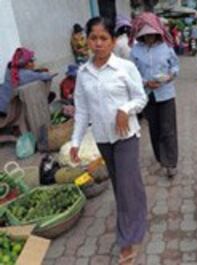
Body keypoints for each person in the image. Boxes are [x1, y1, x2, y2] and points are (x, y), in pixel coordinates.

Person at [70, 17, 148, 265]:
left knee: (126, 185)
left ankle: (127, 240)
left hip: (126, 137)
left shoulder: (125, 68)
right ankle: (137, 215)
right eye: (93, 38)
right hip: (103, 138)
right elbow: (81, 110)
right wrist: (75, 142)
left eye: (104, 38)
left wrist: (125, 109)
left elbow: (141, 98)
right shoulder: (83, 73)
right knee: (123, 185)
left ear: (113, 41)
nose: (98, 43)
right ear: (87, 41)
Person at [130, 12, 179, 178]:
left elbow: (175, 67)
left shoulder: (166, 47)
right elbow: (132, 72)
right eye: (146, 35)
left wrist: (171, 76)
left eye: (152, 34)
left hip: (166, 93)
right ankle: (160, 157)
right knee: (154, 129)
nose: (149, 38)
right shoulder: (135, 50)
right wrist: (145, 82)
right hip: (147, 94)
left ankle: (170, 163)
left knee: (168, 129)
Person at [0, 48, 55, 116]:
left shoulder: (10, 69)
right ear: (24, 63)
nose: (33, 64)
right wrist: (44, 73)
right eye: (31, 61)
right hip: (8, 111)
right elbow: (47, 75)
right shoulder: (24, 74)